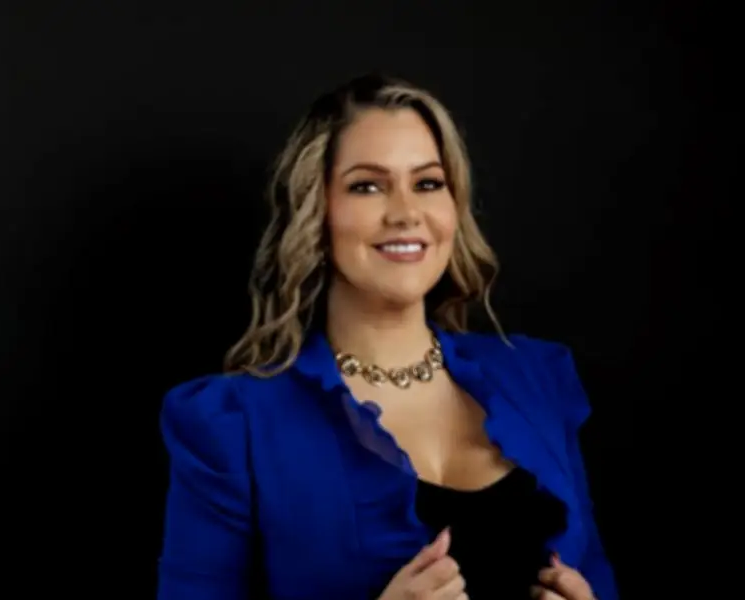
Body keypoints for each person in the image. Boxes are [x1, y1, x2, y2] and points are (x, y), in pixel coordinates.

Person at [156, 73, 618, 600]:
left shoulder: (535, 379)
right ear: (316, 211)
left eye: (428, 183)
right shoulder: (234, 424)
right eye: (367, 186)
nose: (405, 213)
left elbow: (596, 573)